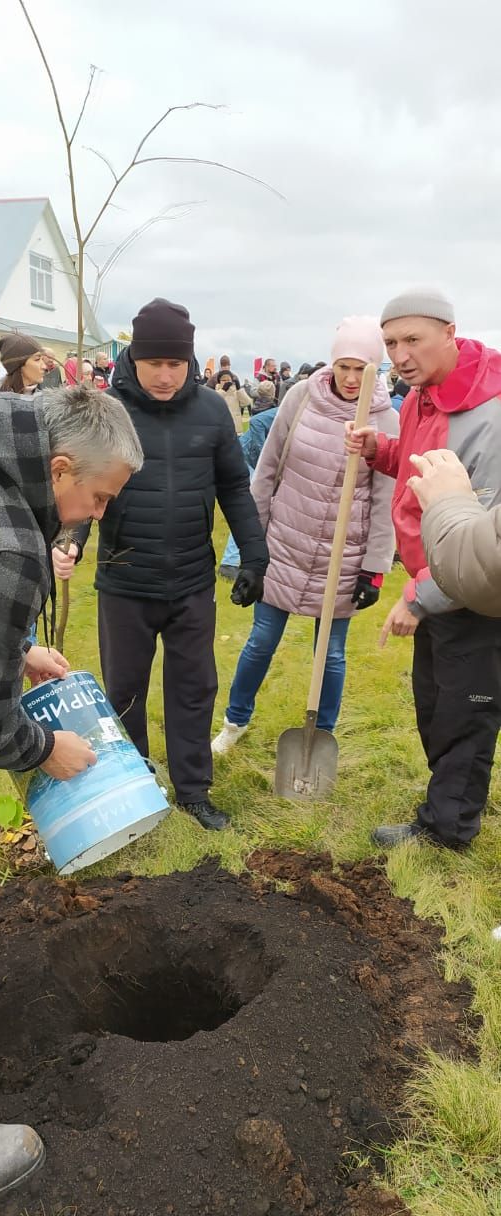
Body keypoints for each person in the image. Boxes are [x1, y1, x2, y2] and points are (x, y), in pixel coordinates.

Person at [0, 386, 142, 1204]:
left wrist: (12, 653)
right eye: (98, 497)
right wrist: (48, 749)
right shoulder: (8, 546)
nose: (93, 515)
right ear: (58, 467)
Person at [75, 297, 269, 831]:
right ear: (134, 358)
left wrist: (255, 553)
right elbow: (82, 486)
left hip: (190, 580)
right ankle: (135, 785)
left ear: (190, 361)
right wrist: (69, 539)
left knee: (193, 687)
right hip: (124, 580)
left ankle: (193, 790)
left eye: (175, 364)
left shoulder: (211, 411)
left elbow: (234, 485)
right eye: (153, 362)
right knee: (124, 690)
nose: (164, 375)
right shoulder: (107, 410)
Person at [345, 287, 501, 851]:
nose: (400, 353)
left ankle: (447, 830)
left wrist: (420, 596)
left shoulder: (490, 413)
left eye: (413, 339)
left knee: (464, 712)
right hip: (434, 575)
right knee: (435, 705)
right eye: (390, 342)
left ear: (449, 334)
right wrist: (380, 450)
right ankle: (446, 807)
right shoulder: (422, 396)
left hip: (474, 592)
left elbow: (488, 539)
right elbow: (420, 470)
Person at [212, 316, 398, 756]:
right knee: (260, 641)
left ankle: (321, 737)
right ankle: (234, 722)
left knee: (331, 655)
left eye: (362, 369)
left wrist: (373, 569)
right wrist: (250, 553)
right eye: (344, 367)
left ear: (376, 369)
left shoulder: (386, 420)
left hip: (343, 558)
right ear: (332, 364)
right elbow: (267, 473)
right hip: (285, 546)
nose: (352, 379)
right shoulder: (300, 398)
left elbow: (385, 500)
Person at [407, 449, 501, 617]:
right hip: (444, 575)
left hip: (457, 592)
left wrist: (421, 592)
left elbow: (486, 560)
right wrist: (381, 449)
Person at [219, 399, 279, 581]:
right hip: (245, 459)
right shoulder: (287, 409)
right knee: (250, 508)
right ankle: (229, 563)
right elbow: (256, 421)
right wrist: (264, 456)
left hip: (258, 464)